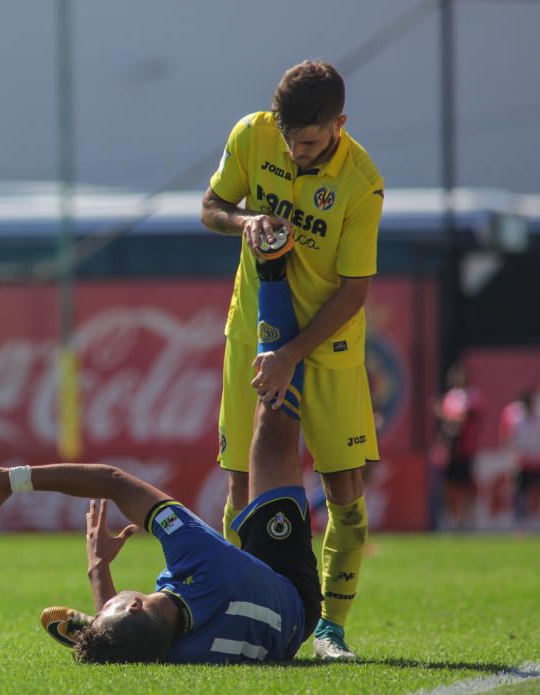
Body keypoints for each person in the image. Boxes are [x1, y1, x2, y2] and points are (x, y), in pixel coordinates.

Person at [0, 247, 322, 664]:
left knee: (238, 484)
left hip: (281, 632)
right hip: (293, 593)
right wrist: (12, 480)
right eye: (106, 609)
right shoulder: (200, 556)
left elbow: (137, 645)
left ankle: (97, 639)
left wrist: (99, 569)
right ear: (135, 606)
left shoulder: (177, 654)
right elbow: (113, 481)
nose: (104, 605)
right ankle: (273, 272)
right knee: (271, 425)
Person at [199, 60, 384, 660]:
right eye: (288, 139)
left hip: (327, 346)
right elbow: (210, 207)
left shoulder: (362, 182)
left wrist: (290, 356)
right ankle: (244, 610)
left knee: (345, 493)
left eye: (308, 142)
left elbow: (354, 290)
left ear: (339, 125)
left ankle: (330, 628)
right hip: (251, 332)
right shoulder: (251, 134)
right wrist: (245, 220)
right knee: (240, 485)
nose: (295, 152)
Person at [433, 362, 482, 529]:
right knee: (447, 484)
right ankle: (452, 519)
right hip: (450, 449)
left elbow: (466, 417)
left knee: (466, 484)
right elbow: (447, 426)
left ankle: (467, 519)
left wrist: (444, 415)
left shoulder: (473, 395)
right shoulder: (450, 396)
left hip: (465, 447)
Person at [499, 388, 540, 524]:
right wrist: (512, 454)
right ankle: (520, 523)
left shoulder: (537, 416)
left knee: (534, 492)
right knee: (519, 492)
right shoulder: (515, 418)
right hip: (521, 461)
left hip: (537, 460)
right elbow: (507, 437)